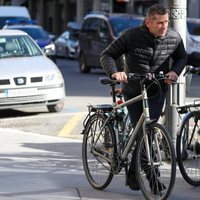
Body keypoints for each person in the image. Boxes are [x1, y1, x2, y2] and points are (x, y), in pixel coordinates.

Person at [100, 4, 187, 192]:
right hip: (134, 90)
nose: (164, 26)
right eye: (159, 23)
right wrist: (115, 73)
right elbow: (107, 55)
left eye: (166, 22)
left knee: (148, 132)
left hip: (157, 90)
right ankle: (152, 181)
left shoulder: (173, 37)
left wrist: (174, 71)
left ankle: (133, 173)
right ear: (148, 22)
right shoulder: (131, 36)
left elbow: (182, 57)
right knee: (141, 134)